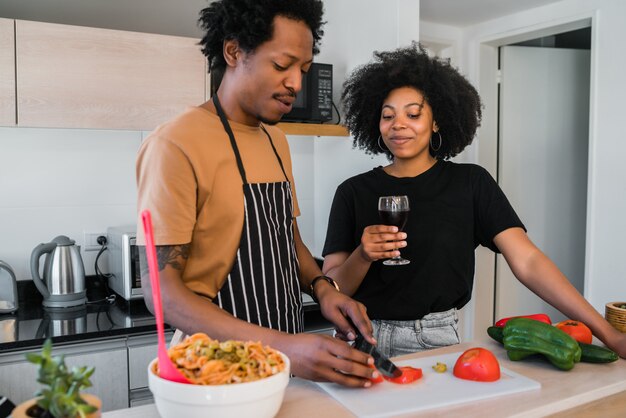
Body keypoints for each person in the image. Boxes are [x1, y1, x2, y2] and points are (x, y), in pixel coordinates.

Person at [322, 43, 626, 359]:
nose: (398, 124)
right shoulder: (352, 192)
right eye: (387, 116)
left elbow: (529, 262)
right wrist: (362, 255)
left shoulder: (470, 183)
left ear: (437, 121)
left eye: (413, 114)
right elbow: (330, 288)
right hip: (357, 337)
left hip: (432, 341)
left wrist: (609, 335)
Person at [136, 0, 378, 387]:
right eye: (282, 66)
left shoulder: (276, 140)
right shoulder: (175, 143)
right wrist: (285, 347)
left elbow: (285, 238)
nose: (296, 84)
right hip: (215, 365)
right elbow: (162, 294)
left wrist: (323, 288)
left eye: (303, 69)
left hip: (283, 359)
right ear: (234, 52)